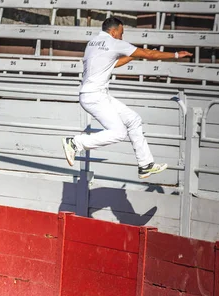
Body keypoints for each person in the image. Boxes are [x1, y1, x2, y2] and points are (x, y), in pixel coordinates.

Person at [62, 17, 193, 179]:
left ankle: (145, 165)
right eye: (121, 33)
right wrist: (176, 55)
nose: (122, 37)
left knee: (134, 120)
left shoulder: (93, 43)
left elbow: (112, 64)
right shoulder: (114, 43)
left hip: (95, 94)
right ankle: (76, 143)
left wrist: (133, 55)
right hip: (94, 96)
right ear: (114, 31)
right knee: (118, 133)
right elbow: (149, 53)